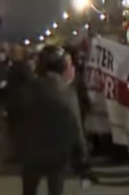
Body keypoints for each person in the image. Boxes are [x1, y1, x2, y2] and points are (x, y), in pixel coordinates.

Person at [21, 46, 87, 195]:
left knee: (29, 190)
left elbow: (17, 117)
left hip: (31, 152)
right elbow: (76, 126)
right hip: (58, 154)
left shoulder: (28, 88)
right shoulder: (67, 92)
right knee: (56, 190)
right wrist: (81, 158)